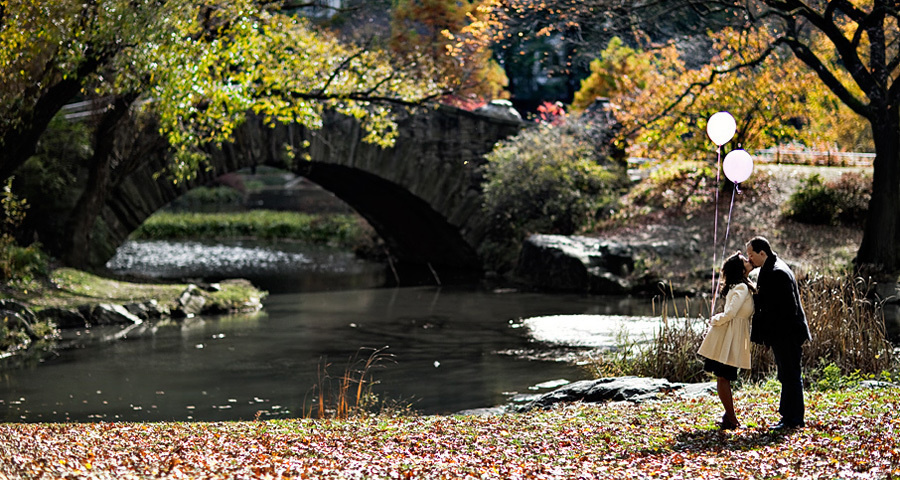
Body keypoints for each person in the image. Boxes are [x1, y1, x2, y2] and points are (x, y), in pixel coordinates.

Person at [746, 236, 811, 430]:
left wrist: (770, 335)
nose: (749, 259)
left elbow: (785, 310)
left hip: (788, 334)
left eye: (751, 255)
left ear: (762, 253)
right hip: (782, 334)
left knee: (791, 375)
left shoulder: (777, 272)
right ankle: (788, 417)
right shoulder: (772, 268)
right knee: (786, 374)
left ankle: (794, 419)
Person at [698, 252, 754, 430]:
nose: (748, 260)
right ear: (740, 268)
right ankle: (732, 418)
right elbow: (730, 314)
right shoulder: (741, 288)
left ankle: (728, 417)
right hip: (727, 335)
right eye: (745, 260)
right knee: (723, 377)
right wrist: (714, 320)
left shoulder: (742, 286)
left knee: (724, 377)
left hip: (731, 334)